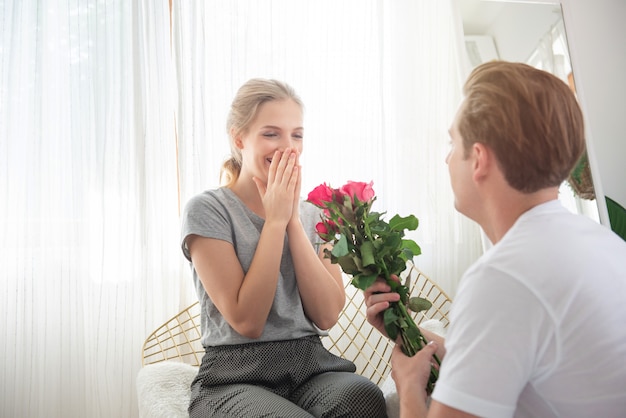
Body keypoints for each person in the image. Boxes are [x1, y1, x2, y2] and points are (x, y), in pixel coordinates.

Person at [364, 61, 626, 417]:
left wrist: (408, 387)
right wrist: (407, 333)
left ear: (479, 160)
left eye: (452, 143)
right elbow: (518, 354)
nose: (446, 159)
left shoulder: (503, 276)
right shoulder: (603, 244)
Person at [180, 78, 387, 418]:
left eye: (297, 135)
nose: (287, 147)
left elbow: (327, 315)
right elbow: (247, 321)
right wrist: (274, 223)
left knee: (362, 397)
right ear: (239, 138)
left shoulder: (315, 214)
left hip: (311, 367)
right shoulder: (208, 210)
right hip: (233, 377)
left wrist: (292, 219)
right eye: (271, 134)